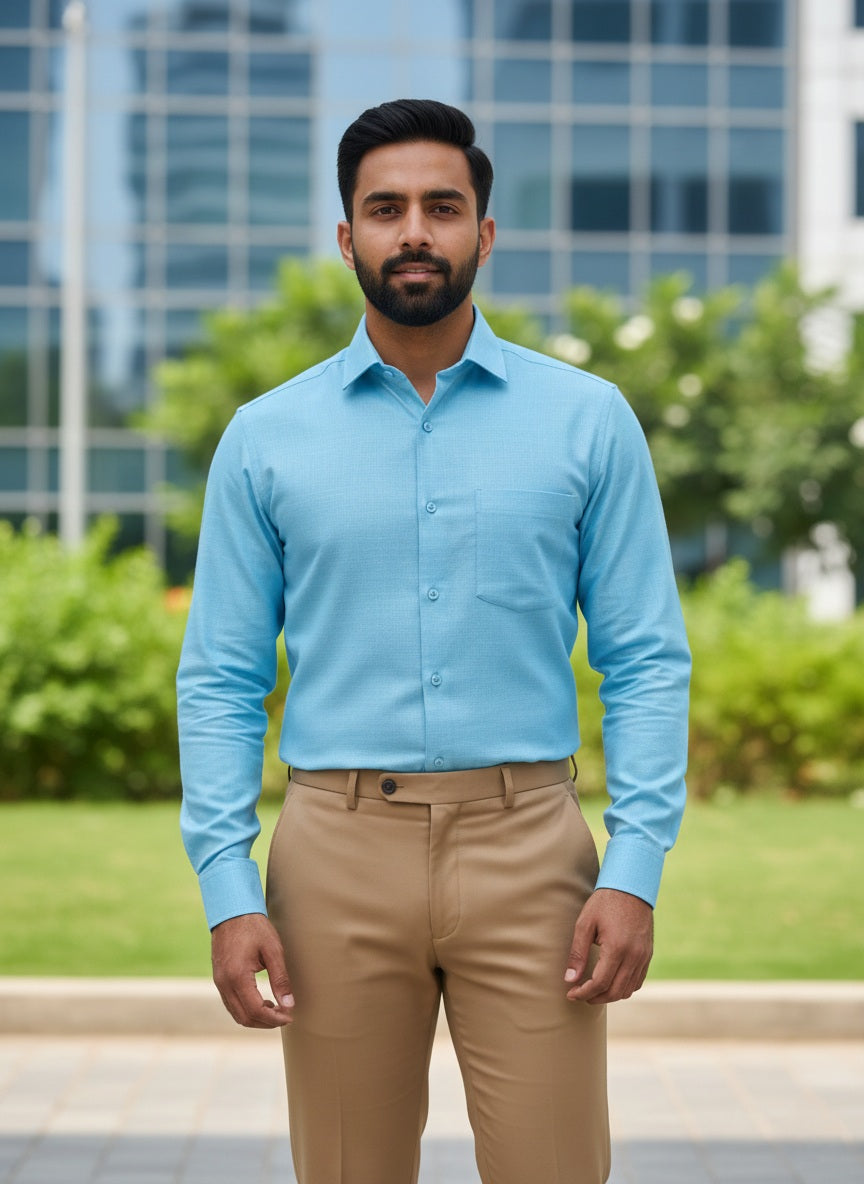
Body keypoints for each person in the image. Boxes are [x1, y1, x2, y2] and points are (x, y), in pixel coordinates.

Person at [178, 99, 690, 1184]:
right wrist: (229, 884)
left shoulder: (587, 420)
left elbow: (645, 654)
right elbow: (221, 675)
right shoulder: (266, 437)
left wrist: (635, 867)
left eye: (442, 207)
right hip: (333, 850)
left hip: (531, 848)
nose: (415, 230)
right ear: (347, 237)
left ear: (484, 234)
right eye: (386, 208)